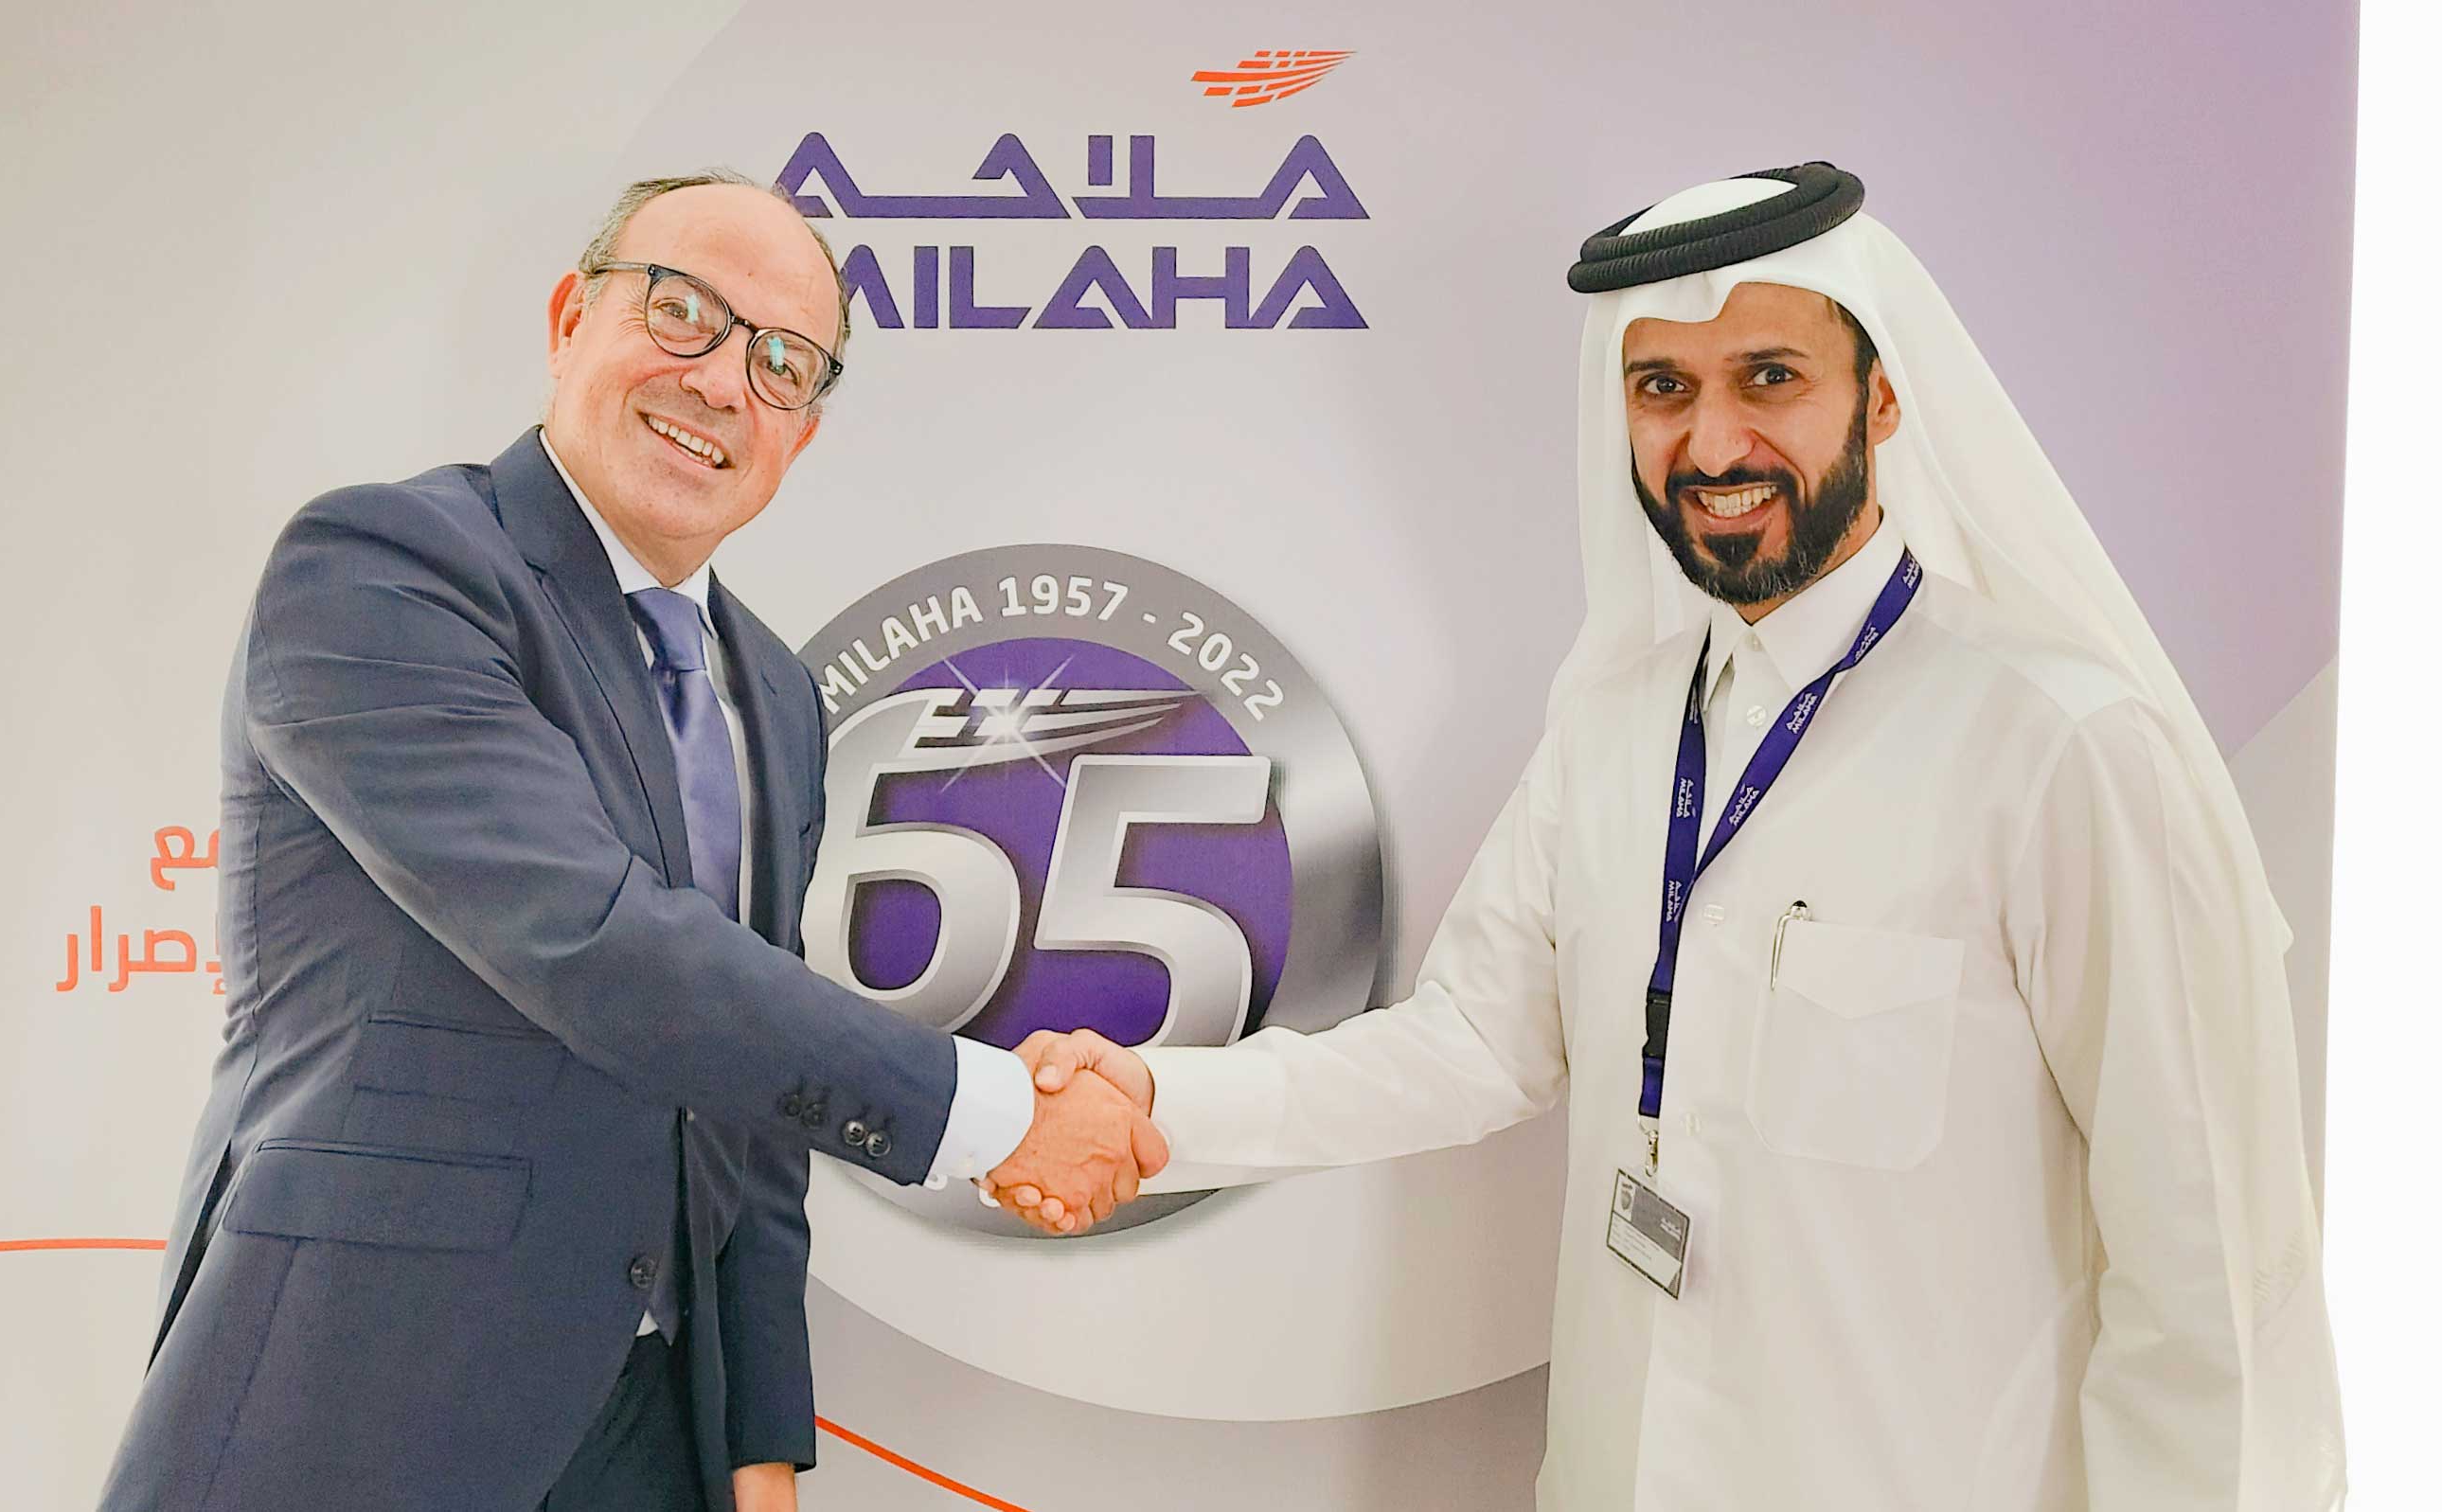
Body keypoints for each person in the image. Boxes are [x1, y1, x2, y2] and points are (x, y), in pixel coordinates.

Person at [990, 166, 2344, 1510]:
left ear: (1880, 398)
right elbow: (1472, 1040)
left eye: (1770, 378)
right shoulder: (1616, 723)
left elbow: (2209, 1271)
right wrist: (1158, 1101)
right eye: (1663, 389)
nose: (1711, 445)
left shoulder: (2062, 747)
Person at [96, 171, 1164, 1512]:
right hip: (356, 1400)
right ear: (570, 318)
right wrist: (994, 1114)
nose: (721, 383)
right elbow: (593, 940)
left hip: (652, 1436)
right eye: (683, 313)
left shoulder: (775, 692)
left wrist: (756, 1439)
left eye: (782, 364)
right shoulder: (383, 566)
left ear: (801, 437)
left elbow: (748, 1098)